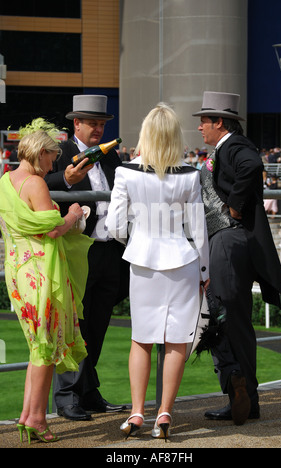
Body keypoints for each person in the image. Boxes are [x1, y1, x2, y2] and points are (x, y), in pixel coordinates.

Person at [106, 103, 210, 440]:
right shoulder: (190, 175)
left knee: (142, 338)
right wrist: (205, 270)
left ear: (146, 134)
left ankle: (137, 412)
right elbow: (198, 230)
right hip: (182, 259)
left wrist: (135, 240)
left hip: (143, 259)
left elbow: (114, 225)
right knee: (176, 340)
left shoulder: (125, 173)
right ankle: (164, 413)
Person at [193, 91, 281, 425]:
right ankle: (244, 396)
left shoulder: (234, 145)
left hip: (229, 241)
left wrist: (234, 204)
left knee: (225, 317)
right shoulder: (223, 149)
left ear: (219, 122)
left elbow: (252, 166)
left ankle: (239, 393)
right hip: (229, 242)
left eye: (204, 121)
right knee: (232, 319)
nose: (200, 127)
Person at [0, 118, 93, 444]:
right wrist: (73, 214)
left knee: (38, 346)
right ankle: (37, 419)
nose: (55, 162)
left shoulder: (6, 180)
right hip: (41, 274)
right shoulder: (35, 184)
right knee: (45, 348)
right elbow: (51, 230)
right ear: (40, 153)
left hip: (19, 272)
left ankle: (28, 415)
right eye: (52, 156)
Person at [45, 95, 128, 421]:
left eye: (103, 123)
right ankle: (66, 396)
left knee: (97, 325)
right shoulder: (62, 152)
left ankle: (88, 392)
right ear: (75, 123)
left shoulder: (112, 156)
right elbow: (43, 182)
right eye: (92, 122)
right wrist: (67, 179)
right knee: (72, 325)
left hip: (108, 250)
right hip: (76, 249)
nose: (99, 128)